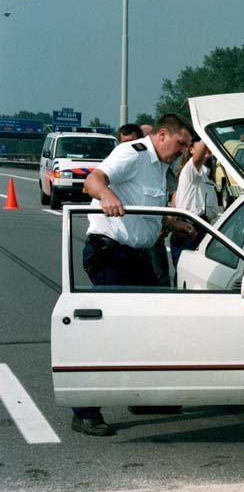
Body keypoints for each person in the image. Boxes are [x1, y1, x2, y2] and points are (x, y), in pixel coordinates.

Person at [72, 113, 195, 436]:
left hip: (138, 256)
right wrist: (106, 195)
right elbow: (93, 180)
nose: (182, 151)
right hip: (112, 253)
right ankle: (85, 411)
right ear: (163, 134)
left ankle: (144, 397)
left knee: (146, 329)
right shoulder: (133, 154)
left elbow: (141, 206)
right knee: (104, 332)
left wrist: (170, 223)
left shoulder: (161, 166)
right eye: (181, 143)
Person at [170, 136, 220, 274]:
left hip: (203, 229)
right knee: (186, 276)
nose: (207, 147)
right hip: (189, 229)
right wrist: (205, 132)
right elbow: (198, 158)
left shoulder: (205, 174)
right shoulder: (190, 170)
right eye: (204, 145)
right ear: (191, 150)